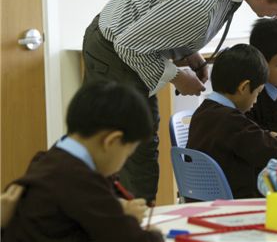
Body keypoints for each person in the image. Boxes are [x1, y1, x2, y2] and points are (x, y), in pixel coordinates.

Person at [82, 0, 277, 201]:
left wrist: (191, 53)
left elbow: (167, 6)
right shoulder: (199, 5)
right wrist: (177, 77)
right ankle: (132, 226)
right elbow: (129, 46)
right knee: (136, 150)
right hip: (114, 50)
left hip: (124, 34)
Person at [2, 81, 163, 241]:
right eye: (128, 153)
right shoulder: (79, 178)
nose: (124, 160)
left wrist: (117, 208)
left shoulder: (47, 160)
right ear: (112, 141)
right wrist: (154, 234)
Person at [187, 44, 277, 199]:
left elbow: (251, 139)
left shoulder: (204, 112)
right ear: (244, 87)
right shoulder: (231, 121)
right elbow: (271, 150)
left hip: (202, 200)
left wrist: (266, 135)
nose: (255, 101)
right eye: (257, 93)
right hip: (233, 203)